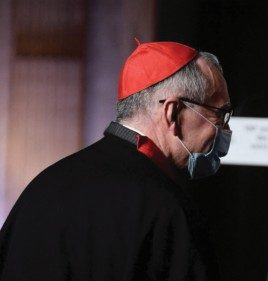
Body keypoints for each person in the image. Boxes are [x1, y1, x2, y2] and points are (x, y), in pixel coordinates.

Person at [0, 41, 233, 281]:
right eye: (220, 113)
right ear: (172, 113)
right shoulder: (168, 209)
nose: (225, 129)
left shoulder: (43, 186)